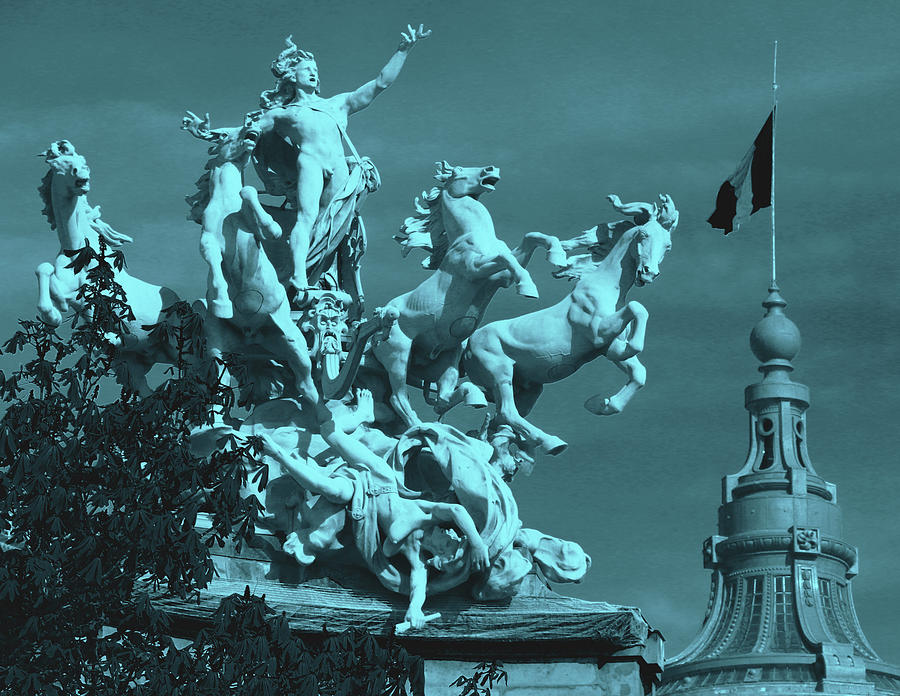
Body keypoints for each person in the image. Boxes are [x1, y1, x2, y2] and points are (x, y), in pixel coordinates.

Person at [249, 24, 431, 295]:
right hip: (310, 163)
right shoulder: (284, 113)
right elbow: (247, 132)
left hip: (338, 167)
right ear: (292, 75)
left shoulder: (337, 104)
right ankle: (298, 274)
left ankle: (325, 274)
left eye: (315, 69)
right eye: (307, 69)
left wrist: (402, 51)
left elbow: (380, 83)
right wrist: (210, 134)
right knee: (307, 218)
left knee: (336, 224)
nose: (314, 72)